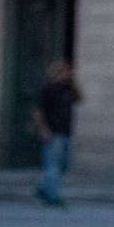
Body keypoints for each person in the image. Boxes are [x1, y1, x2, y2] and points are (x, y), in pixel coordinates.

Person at [32, 59, 82, 207]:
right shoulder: (47, 88)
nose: (69, 73)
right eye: (66, 71)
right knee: (53, 165)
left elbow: (79, 98)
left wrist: (73, 83)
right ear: (58, 72)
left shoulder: (68, 88)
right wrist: (44, 130)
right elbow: (38, 111)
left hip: (65, 131)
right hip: (53, 132)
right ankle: (52, 197)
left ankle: (42, 188)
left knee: (62, 165)